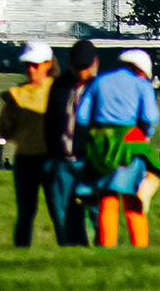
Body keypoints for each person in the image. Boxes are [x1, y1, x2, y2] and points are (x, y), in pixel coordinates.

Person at [75, 48, 160, 248]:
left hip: (101, 143)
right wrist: (145, 134)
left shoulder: (98, 82)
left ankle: (107, 247)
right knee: (134, 197)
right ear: (141, 70)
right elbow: (150, 117)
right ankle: (139, 246)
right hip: (130, 140)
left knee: (107, 197)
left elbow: (81, 116)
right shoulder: (141, 85)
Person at [43, 39, 98, 246]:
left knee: (96, 213)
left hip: (90, 161)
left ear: (94, 63)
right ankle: (71, 251)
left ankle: (102, 251)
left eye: (85, 67)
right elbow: (50, 123)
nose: (82, 72)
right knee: (63, 215)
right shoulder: (59, 86)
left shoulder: (98, 87)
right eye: (78, 67)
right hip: (62, 162)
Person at [0, 40, 54, 246]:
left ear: (48, 63)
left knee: (58, 210)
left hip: (51, 158)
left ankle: (69, 251)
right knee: (25, 214)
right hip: (26, 160)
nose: (30, 69)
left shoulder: (57, 90)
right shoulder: (16, 94)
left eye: (35, 64)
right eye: (27, 65)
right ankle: (21, 253)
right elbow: (5, 131)